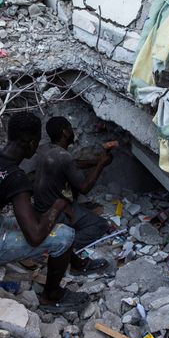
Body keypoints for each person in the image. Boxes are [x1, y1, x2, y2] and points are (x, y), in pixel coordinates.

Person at [0, 113, 90, 312]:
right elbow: (34, 237)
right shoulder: (15, 177)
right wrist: (58, 205)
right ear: (32, 143)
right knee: (64, 235)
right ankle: (52, 296)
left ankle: (74, 262)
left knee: (40, 220)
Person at [33, 116, 113, 274]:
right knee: (100, 225)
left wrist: (96, 161)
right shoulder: (64, 157)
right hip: (55, 212)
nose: (73, 131)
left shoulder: (46, 149)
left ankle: (57, 240)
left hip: (40, 208)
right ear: (64, 132)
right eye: (70, 128)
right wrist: (101, 165)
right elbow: (84, 187)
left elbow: (74, 164)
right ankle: (60, 245)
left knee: (80, 209)